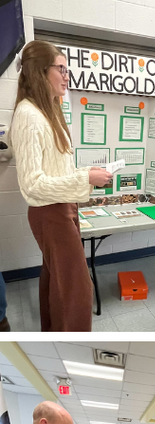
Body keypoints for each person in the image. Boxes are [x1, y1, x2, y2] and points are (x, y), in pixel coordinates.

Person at [8, 42, 112, 331]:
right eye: (61, 69)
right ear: (40, 72)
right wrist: (85, 179)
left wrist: (86, 172)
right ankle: (70, 342)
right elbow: (32, 185)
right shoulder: (29, 116)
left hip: (61, 208)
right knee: (76, 291)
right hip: (50, 212)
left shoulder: (46, 112)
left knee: (59, 283)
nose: (67, 76)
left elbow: (57, 171)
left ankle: (54, 334)